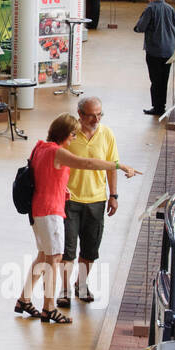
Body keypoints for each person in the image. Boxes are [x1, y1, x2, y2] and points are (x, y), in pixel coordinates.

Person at [16, 113, 139, 324]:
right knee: (55, 259)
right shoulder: (58, 152)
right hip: (51, 212)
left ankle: (24, 299)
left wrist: (63, 190)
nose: (75, 138)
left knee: (43, 256)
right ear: (67, 133)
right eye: (74, 134)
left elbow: (45, 177)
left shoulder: (40, 147)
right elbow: (88, 163)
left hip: (37, 211)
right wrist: (118, 166)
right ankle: (49, 308)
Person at [58, 97, 117, 307]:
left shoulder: (107, 134)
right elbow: (56, 159)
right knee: (68, 251)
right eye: (92, 115)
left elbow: (112, 166)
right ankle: (64, 290)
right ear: (80, 114)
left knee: (90, 249)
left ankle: (81, 285)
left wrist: (114, 195)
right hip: (70, 201)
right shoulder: (70, 135)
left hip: (97, 201)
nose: (96, 119)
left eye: (99, 114)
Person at [134, 0, 175, 117]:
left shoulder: (150, 8)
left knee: (155, 79)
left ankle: (157, 107)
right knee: (164, 79)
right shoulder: (170, 8)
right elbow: (174, 25)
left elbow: (140, 27)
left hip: (155, 50)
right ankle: (161, 105)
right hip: (169, 49)